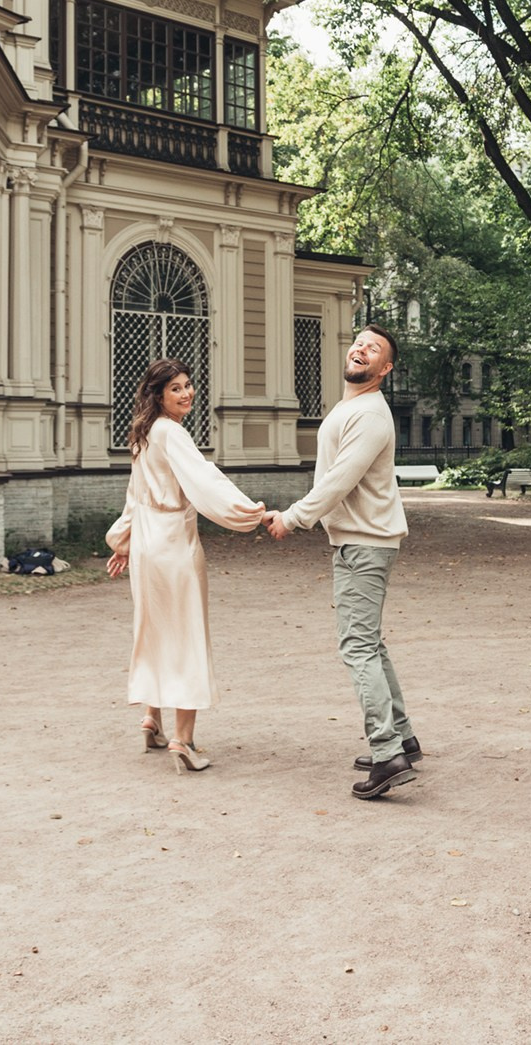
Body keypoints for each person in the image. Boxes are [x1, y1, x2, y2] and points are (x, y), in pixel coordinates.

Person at [264, 324, 420, 800]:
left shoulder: (372, 413)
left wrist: (293, 518)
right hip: (359, 540)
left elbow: (340, 479)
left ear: (384, 369)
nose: (361, 350)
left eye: (373, 349)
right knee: (369, 642)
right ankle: (404, 738)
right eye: (359, 343)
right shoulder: (352, 406)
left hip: (365, 543)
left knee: (357, 647)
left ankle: (387, 753)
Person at [105, 358, 265, 774]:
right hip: (174, 543)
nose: (187, 393)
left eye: (188, 385)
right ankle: (185, 739)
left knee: (154, 629)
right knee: (186, 634)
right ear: (158, 395)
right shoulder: (171, 433)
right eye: (176, 388)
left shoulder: (142, 433)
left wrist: (122, 542)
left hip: (145, 543)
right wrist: (250, 512)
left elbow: (134, 495)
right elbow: (205, 479)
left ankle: (151, 719)